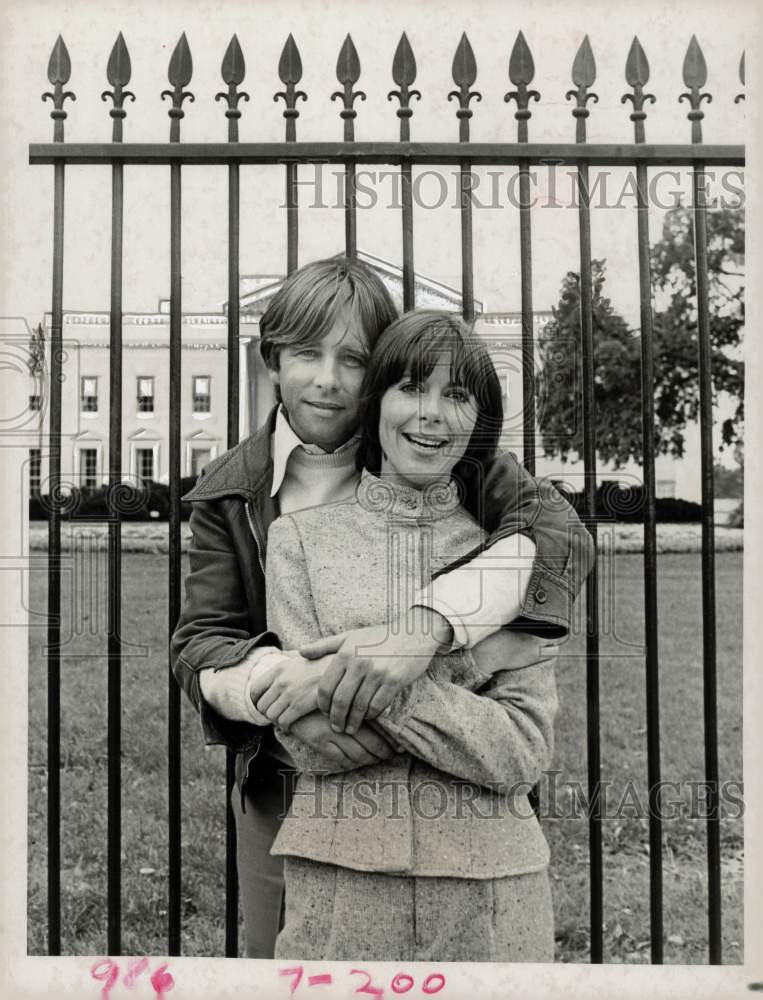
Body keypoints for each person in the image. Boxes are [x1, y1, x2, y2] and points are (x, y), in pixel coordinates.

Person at [170, 257, 594, 958]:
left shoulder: (458, 461)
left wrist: (420, 642)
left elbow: (556, 537)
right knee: (280, 951)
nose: (327, 380)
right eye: (306, 353)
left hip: (467, 817)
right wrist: (286, 690)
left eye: (356, 360)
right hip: (293, 782)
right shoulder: (234, 494)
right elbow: (202, 639)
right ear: (272, 359)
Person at [266, 311, 559, 961]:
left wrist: (340, 674)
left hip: (491, 891)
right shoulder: (299, 542)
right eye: (410, 387)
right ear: (375, 404)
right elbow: (309, 741)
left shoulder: (513, 559)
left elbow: (520, 750)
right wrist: (454, 665)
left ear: (478, 421)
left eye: (456, 395)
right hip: (340, 886)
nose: (430, 415)